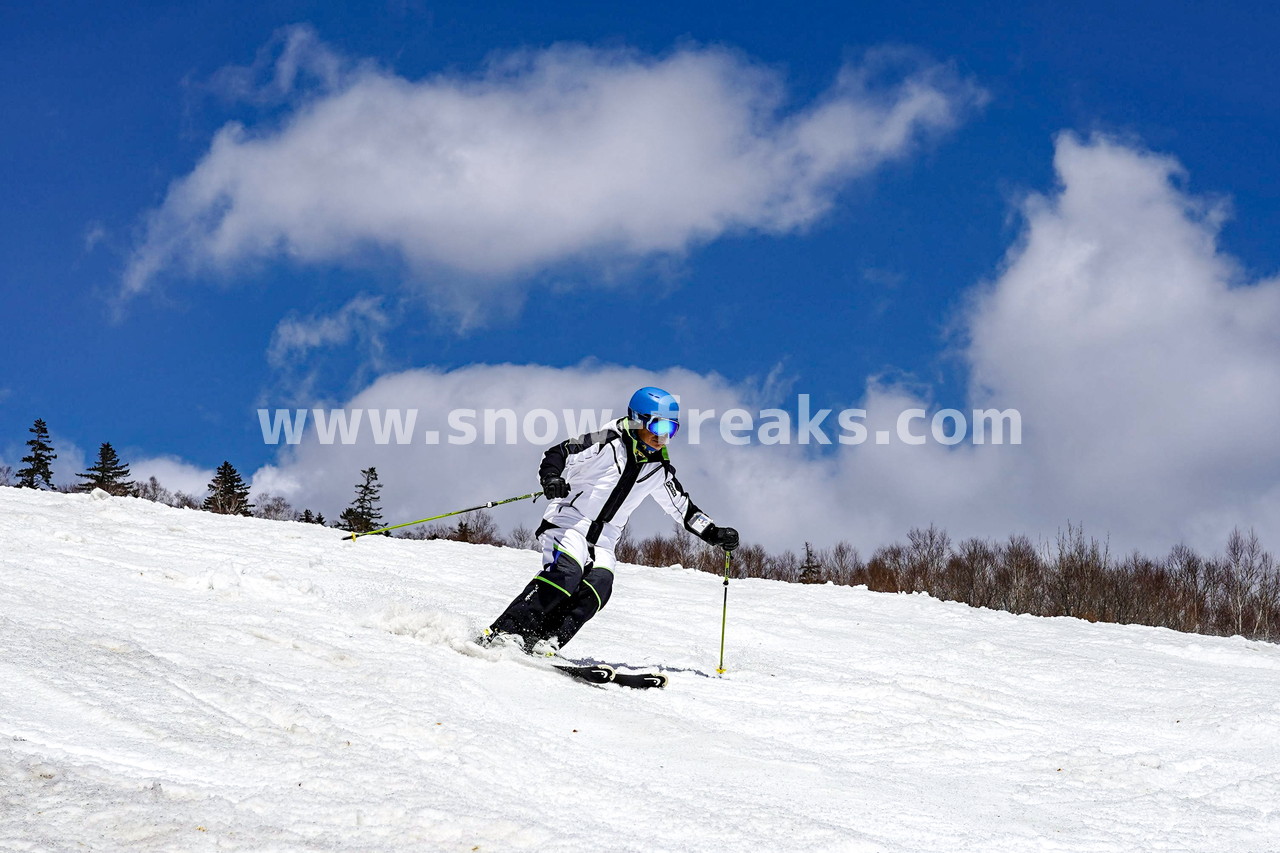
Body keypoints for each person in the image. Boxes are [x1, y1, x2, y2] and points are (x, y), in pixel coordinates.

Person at [483, 386, 739, 655]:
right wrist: (552, 479)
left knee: (598, 588)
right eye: (658, 425)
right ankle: (507, 631)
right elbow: (558, 453)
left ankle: (547, 641)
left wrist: (714, 533)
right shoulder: (606, 441)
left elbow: (683, 509)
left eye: (671, 429)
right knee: (566, 574)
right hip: (570, 523)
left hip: (605, 540)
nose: (662, 436)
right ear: (638, 420)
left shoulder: (658, 468)